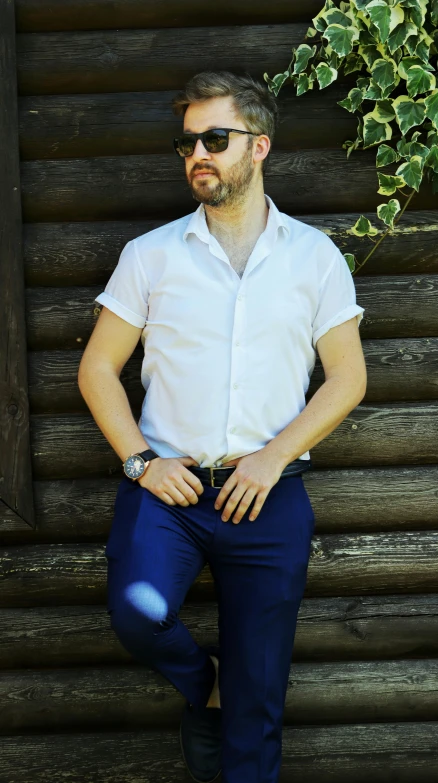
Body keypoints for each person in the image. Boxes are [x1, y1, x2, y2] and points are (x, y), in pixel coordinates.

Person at [78, 70, 367, 783]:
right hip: (167, 493)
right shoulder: (152, 255)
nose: (196, 155)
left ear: (259, 146)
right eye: (187, 143)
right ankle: (203, 677)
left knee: (258, 697)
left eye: (215, 139)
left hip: (268, 497)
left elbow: (349, 377)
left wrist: (272, 457)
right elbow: (97, 369)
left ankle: (233, 705)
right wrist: (141, 461)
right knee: (138, 614)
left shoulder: (313, 257)